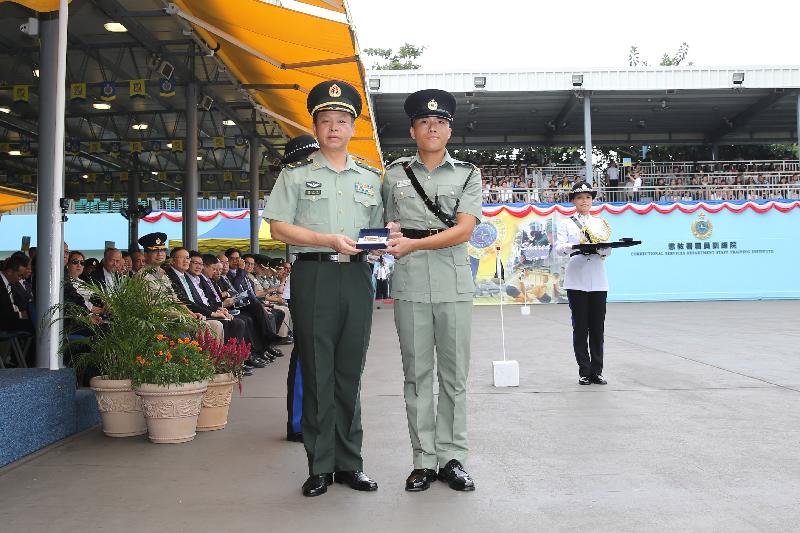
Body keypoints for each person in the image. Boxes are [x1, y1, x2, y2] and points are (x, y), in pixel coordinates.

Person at [264, 79, 385, 497]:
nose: (334, 127)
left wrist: (389, 234)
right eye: (326, 121)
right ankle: (320, 464)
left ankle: (351, 462)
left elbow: (383, 227)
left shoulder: (370, 178)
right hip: (313, 272)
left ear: (353, 128)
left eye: (342, 121)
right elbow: (278, 225)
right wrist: (327, 239)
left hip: (356, 275)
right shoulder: (295, 176)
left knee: (349, 370)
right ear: (315, 128)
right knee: (317, 370)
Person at [382, 88, 482, 492]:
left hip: (454, 283)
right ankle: (423, 459)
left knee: (455, 377)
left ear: (449, 130)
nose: (432, 127)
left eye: (440, 122)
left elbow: (464, 229)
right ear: (413, 130)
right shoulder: (393, 174)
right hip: (409, 284)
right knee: (417, 376)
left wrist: (413, 242)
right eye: (425, 122)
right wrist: (387, 235)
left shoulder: (468, 174)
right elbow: (384, 224)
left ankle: (453, 458)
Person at [555, 182, 612, 386]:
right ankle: (584, 371)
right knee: (580, 327)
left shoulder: (600, 222)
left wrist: (599, 249)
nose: (584, 201)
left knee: (597, 328)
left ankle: (597, 371)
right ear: (573, 201)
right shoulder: (566, 223)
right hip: (576, 278)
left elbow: (607, 250)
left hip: (597, 279)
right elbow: (559, 248)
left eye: (588, 197)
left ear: (592, 200)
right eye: (580, 198)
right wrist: (577, 246)